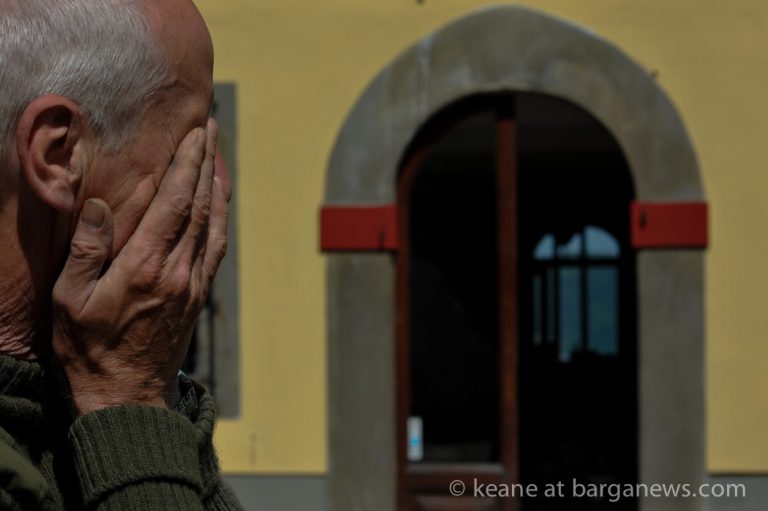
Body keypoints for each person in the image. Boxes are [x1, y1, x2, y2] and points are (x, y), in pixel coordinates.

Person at [0, 0, 244, 509]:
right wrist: (130, 401)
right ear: (59, 155)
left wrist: (147, 388)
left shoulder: (74, 378)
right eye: (193, 141)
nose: (219, 181)